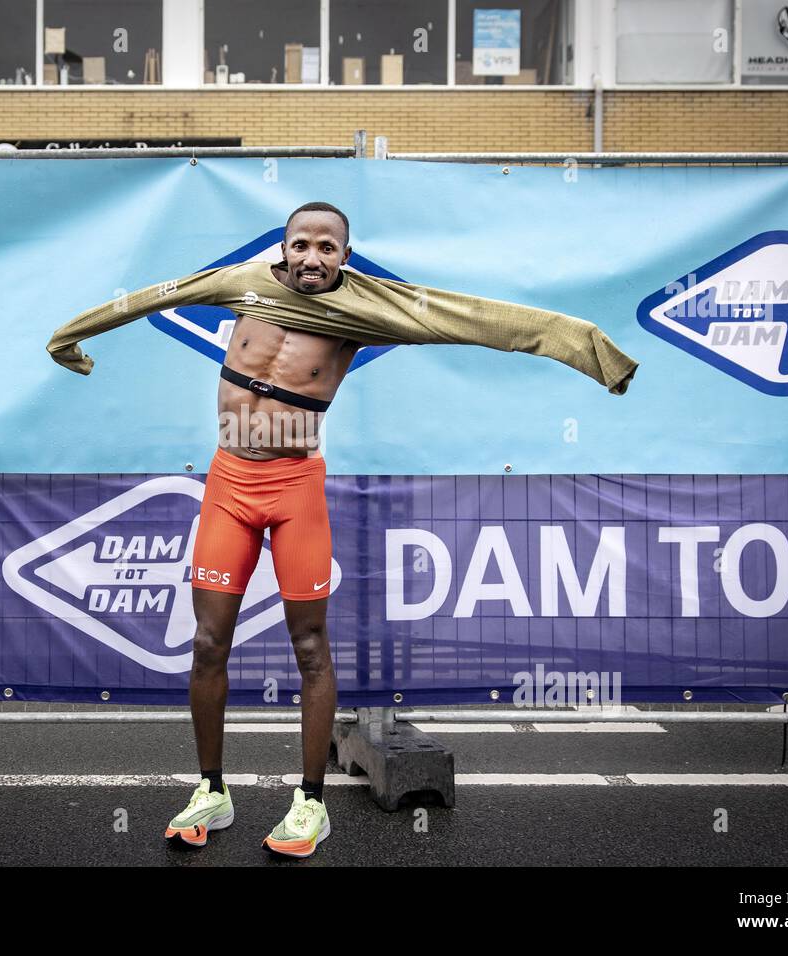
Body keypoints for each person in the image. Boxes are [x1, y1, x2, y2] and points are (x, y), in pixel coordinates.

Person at [46, 201, 639, 858]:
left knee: (310, 649)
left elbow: (472, 320)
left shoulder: (364, 308)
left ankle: (310, 804)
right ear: (283, 247)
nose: (311, 258)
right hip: (228, 486)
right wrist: (70, 338)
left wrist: (589, 349)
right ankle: (211, 790)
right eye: (301, 244)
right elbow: (156, 297)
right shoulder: (244, 283)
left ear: (344, 258)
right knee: (209, 643)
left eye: (327, 248)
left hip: (295, 489)